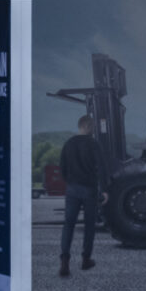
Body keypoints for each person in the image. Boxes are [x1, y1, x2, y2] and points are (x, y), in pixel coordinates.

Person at [58, 113, 105, 276]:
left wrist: (70, 182)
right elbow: (101, 168)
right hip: (89, 190)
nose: (93, 129)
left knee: (68, 225)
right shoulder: (93, 144)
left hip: (72, 189)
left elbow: (62, 168)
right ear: (85, 126)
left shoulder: (68, 144)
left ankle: (64, 262)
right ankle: (86, 260)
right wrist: (104, 190)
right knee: (89, 226)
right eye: (91, 126)